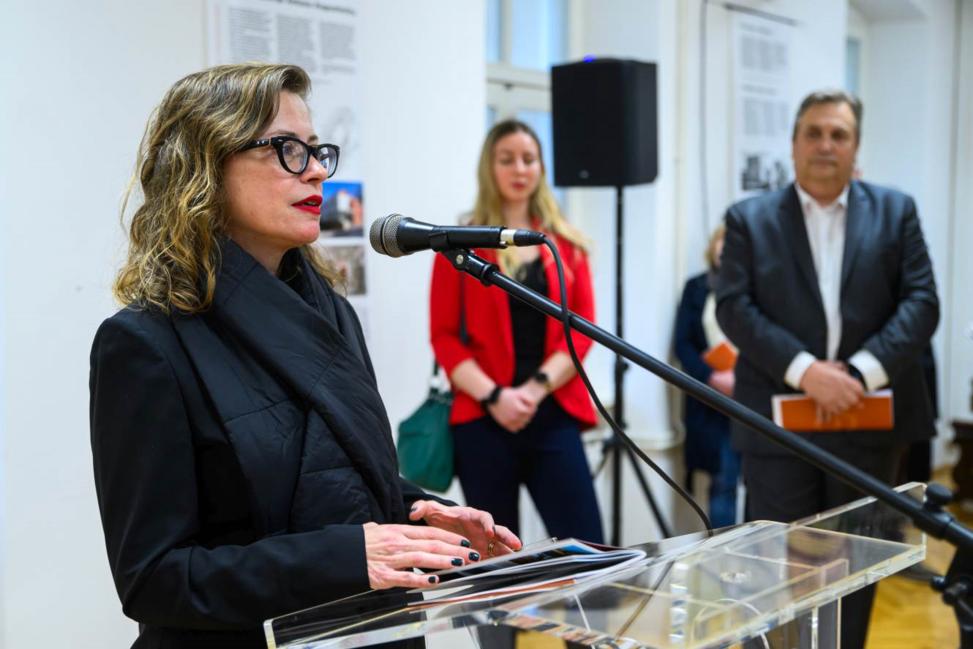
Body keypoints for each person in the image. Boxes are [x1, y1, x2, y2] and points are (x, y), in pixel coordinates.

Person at [89, 63, 521, 649]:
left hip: (369, 630)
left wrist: (419, 511)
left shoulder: (331, 313)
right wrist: (345, 557)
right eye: (287, 149)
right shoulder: (145, 344)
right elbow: (153, 578)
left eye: (317, 150)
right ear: (205, 166)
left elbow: (337, 475)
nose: (316, 169)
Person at [715, 89, 939, 649]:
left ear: (855, 147)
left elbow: (921, 303)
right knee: (775, 570)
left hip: (866, 423)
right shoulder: (748, 219)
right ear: (793, 144)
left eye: (839, 134)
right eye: (813, 132)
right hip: (776, 426)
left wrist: (858, 374)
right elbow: (734, 308)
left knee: (855, 567)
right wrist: (806, 371)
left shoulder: (896, 212)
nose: (825, 145)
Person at [429, 119, 604, 546]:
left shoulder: (565, 246)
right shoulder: (458, 247)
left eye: (529, 159)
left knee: (587, 546)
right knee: (497, 556)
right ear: (489, 168)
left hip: (552, 411)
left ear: (541, 167)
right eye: (507, 159)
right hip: (482, 418)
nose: (519, 169)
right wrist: (496, 397)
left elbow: (582, 330)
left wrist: (534, 390)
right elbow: (444, 336)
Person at [674, 224, 739, 528]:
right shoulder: (697, 288)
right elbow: (683, 344)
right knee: (723, 480)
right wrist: (713, 377)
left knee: (763, 482)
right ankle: (724, 548)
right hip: (712, 402)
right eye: (722, 244)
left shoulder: (759, 288)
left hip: (752, 397)